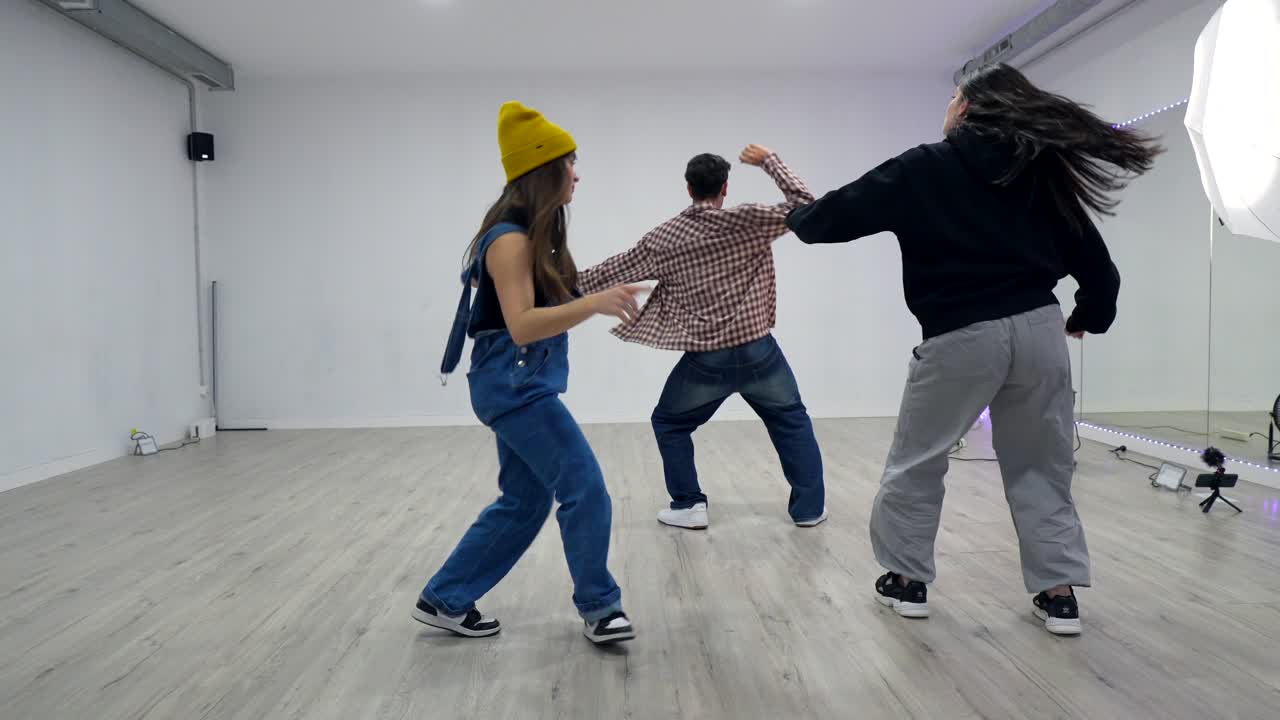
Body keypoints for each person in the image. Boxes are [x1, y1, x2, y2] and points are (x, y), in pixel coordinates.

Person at [785, 63, 1161, 635]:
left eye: (953, 96)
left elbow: (826, 221)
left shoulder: (924, 166)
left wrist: (795, 215)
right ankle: (1058, 595)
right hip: (1039, 330)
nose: (948, 106)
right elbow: (1098, 267)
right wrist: (1090, 315)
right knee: (1043, 466)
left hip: (961, 336)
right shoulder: (1041, 171)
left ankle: (907, 583)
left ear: (968, 107)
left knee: (919, 459)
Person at [416, 101, 645, 645]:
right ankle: (600, 607)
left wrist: (599, 292)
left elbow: (537, 305)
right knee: (585, 488)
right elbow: (522, 327)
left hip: (515, 385)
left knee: (525, 500)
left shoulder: (526, 234)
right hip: (514, 386)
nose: (577, 174)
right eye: (570, 164)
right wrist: (593, 305)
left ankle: (445, 598)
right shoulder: (510, 239)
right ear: (544, 171)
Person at [578, 145, 826, 530]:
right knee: (791, 419)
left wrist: (556, 284)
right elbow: (807, 207)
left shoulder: (665, 238)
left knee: (670, 423)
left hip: (706, 360)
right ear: (725, 188)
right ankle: (809, 510)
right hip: (760, 352)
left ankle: (689, 506)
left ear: (689, 187)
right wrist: (768, 162)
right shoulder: (751, 220)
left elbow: (614, 269)